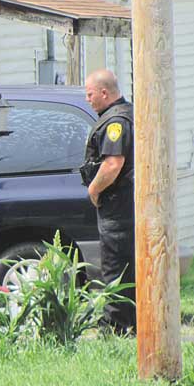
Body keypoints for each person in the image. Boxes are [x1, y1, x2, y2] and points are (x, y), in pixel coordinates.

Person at [82, 69, 136, 334]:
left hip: (118, 206)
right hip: (126, 205)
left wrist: (94, 189)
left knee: (116, 266)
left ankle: (115, 325)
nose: (87, 99)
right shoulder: (126, 113)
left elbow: (113, 164)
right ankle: (131, 322)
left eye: (90, 94)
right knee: (127, 265)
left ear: (104, 93)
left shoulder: (116, 122)